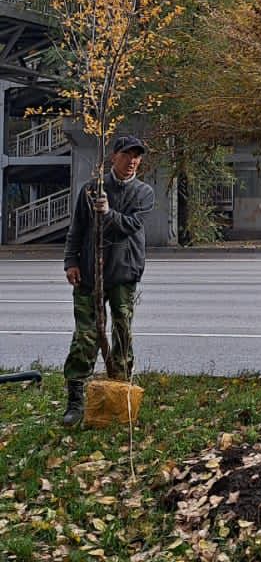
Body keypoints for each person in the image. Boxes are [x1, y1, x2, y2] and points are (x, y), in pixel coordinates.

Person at [61, 133, 155, 427]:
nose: (133, 161)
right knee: (85, 336)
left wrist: (108, 213)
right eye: (127, 154)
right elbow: (77, 227)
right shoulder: (91, 189)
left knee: (122, 334)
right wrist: (71, 261)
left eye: (137, 156)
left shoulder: (143, 192)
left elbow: (131, 225)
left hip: (124, 274)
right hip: (89, 273)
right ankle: (75, 401)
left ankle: (120, 396)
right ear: (114, 156)